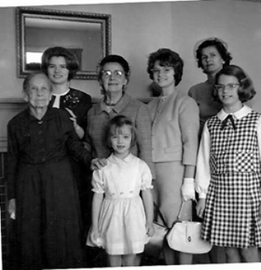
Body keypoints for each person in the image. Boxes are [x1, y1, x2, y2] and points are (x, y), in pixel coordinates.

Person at [7, 72, 91, 270]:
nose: (39, 93)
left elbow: (75, 148)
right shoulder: (15, 124)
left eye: (44, 88)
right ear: (25, 95)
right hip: (29, 185)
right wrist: (12, 197)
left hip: (60, 182)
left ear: (51, 94)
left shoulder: (62, 117)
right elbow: (12, 162)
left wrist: (93, 161)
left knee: (61, 232)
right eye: (33, 89)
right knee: (31, 233)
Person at [195, 65, 261, 263]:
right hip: (220, 193)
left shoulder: (256, 121)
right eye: (221, 86)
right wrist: (203, 197)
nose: (225, 91)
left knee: (248, 250)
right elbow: (204, 162)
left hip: (249, 195)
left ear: (242, 87)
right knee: (229, 250)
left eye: (231, 85)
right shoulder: (212, 124)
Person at [146, 48, 199, 265]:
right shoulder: (150, 105)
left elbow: (191, 142)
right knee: (162, 229)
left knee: (180, 227)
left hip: (175, 172)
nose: (161, 74)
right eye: (157, 70)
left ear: (176, 72)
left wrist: (189, 180)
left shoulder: (184, 102)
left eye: (166, 69)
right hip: (152, 172)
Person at [88, 115, 154, 267]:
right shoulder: (103, 167)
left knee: (131, 256)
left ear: (132, 139)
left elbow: (147, 194)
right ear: (109, 140)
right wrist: (95, 226)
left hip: (134, 217)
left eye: (125, 137)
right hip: (112, 217)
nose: (120, 141)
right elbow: (97, 197)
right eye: (115, 137)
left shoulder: (140, 166)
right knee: (113, 256)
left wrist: (149, 222)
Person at [41, 46, 92, 234]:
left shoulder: (83, 99)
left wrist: (76, 128)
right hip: (46, 167)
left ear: (70, 69)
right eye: (52, 66)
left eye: (62, 66)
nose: (57, 71)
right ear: (46, 69)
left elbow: (85, 138)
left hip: (74, 168)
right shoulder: (38, 96)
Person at [85, 54, 155, 178]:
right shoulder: (92, 112)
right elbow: (88, 146)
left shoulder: (139, 108)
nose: (112, 78)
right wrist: (91, 161)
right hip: (101, 180)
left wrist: (147, 183)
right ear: (100, 80)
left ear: (125, 80)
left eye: (118, 73)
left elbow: (146, 150)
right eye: (106, 73)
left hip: (131, 182)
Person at [188, 37, 232, 135]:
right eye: (204, 57)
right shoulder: (195, 91)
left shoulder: (234, 86)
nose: (208, 60)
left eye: (213, 55)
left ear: (223, 59)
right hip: (202, 139)